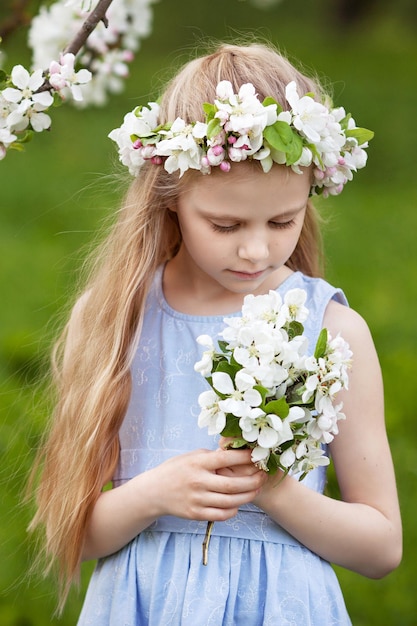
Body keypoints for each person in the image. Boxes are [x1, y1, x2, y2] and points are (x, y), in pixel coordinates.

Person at [29, 42, 402, 625]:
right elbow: (75, 536)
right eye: (225, 224)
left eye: (283, 221)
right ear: (170, 198)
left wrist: (277, 492)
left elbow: (382, 547)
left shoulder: (329, 329)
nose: (256, 249)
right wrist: (155, 494)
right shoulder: (113, 320)